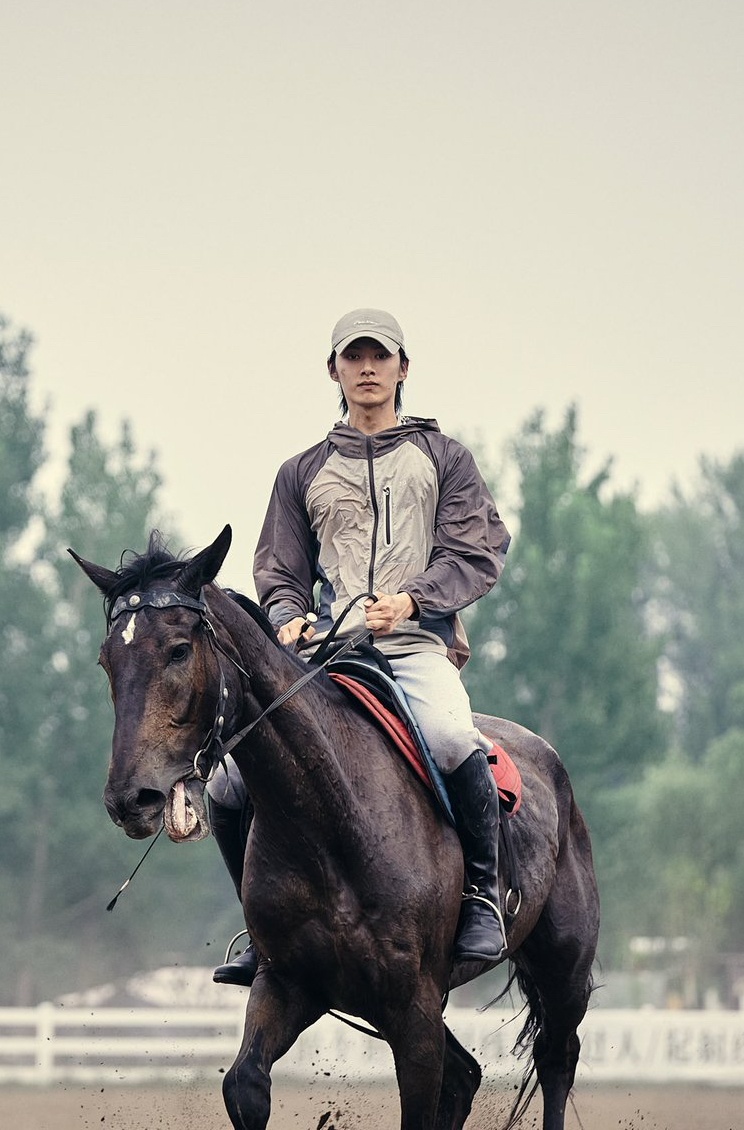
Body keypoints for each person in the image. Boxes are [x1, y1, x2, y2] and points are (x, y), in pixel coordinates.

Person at [209, 308, 511, 987]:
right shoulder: (300, 472)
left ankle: (482, 898)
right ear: (334, 370)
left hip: (414, 646)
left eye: (380, 356)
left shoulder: (446, 459)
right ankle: (261, 930)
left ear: (404, 368)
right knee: (228, 783)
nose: (367, 368)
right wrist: (286, 617)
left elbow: (477, 550)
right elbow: (279, 569)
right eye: (354, 357)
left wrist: (413, 600)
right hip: (327, 656)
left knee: (453, 738)